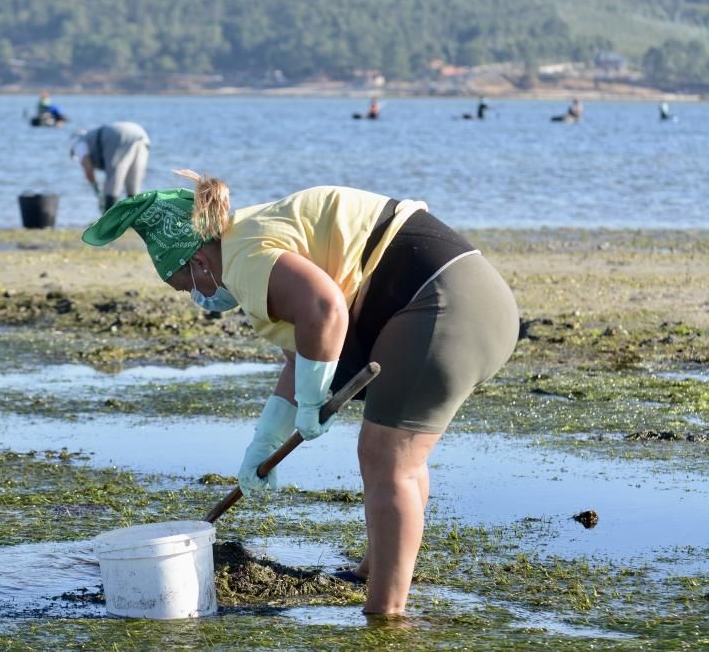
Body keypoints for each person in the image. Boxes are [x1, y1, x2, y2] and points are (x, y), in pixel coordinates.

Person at [81, 171, 520, 616]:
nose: (194, 296)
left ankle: (385, 615)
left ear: (197, 262)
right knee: (399, 454)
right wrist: (264, 442)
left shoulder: (243, 259)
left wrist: (312, 403)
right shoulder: (250, 241)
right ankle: (376, 568)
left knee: (387, 456)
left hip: (447, 304)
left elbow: (324, 308)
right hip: (470, 302)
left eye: (184, 286)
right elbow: (303, 352)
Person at [70, 122, 150, 213]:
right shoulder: (90, 137)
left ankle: (108, 222)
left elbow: (88, 168)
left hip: (118, 135)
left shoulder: (78, 142)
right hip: (141, 134)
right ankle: (134, 223)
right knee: (133, 188)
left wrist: (97, 191)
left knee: (113, 183)